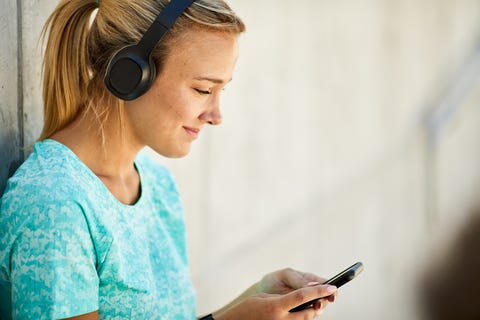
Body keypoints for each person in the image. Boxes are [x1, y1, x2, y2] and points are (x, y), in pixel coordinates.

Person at [0, 0, 337, 319]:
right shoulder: (55, 204)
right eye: (203, 89)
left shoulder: (156, 184)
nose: (217, 115)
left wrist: (256, 299)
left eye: (223, 90)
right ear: (130, 74)